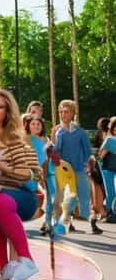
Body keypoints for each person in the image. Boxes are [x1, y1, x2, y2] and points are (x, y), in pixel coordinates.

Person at [0, 89, 42, 280]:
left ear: (7, 112)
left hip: (23, 197)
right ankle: (6, 270)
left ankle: (26, 259)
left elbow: (29, 176)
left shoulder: (14, 139)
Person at [54, 100, 96, 233]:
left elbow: (88, 150)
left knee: (84, 197)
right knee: (68, 197)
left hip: (79, 169)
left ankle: (88, 222)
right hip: (65, 172)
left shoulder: (80, 132)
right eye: (61, 112)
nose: (63, 114)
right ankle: (68, 223)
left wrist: (85, 165)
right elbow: (56, 151)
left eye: (66, 112)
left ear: (73, 113)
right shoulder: (58, 132)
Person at [98, 117, 116, 224]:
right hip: (107, 169)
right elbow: (100, 156)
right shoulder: (109, 140)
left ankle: (113, 211)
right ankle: (109, 213)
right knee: (110, 193)